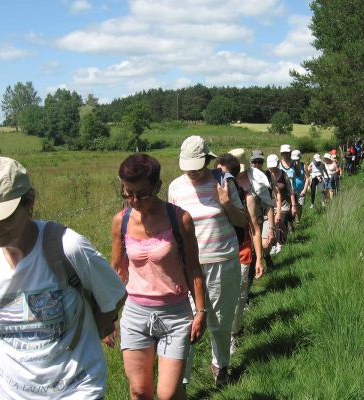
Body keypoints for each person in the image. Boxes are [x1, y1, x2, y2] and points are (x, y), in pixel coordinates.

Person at [0, 156, 127, 400]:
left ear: (29, 202)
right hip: (9, 394)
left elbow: (114, 296)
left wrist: (93, 330)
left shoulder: (68, 247)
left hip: (76, 390)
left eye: (1, 216)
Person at [109, 153, 207, 400]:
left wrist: (201, 311)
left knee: (168, 393)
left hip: (174, 314)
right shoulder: (121, 221)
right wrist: (107, 316)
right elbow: (117, 271)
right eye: (127, 193)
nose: (134, 200)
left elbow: (194, 268)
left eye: (142, 194)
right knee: (140, 391)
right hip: (135, 313)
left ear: (158, 186)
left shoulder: (180, 219)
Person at [168, 136, 246, 387]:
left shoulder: (224, 181)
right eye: (188, 166)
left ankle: (220, 366)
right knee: (186, 325)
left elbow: (241, 221)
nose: (193, 171)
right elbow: (172, 229)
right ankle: (181, 381)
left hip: (223, 262)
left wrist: (225, 203)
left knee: (220, 323)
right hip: (189, 268)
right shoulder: (175, 187)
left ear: (208, 160)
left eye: (197, 165)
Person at [218, 149, 271, 354]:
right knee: (220, 299)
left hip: (242, 253)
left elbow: (255, 230)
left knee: (239, 299)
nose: (221, 178)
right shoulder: (208, 194)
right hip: (217, 254)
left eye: (225, 174)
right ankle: (219, 337)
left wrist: (259, 259)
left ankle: (232, 334)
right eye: (218, 174)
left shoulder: (246, 197)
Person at [250, 149, 277, 270]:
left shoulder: (268, 176)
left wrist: (277, 212)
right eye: (254, 162)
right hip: (253, 216)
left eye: (259, 162)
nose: (257, 165)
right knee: (253, 247)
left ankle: (265, 255)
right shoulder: (247, 176)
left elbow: (275, 194)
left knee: (265, 243)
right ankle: (262, 261)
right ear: (251, 162)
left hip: (266, 212)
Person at [266, 153, 296, 248]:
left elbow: (290, 191)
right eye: (270, 167)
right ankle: (274, 243)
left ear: (278, 163)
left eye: (273, 166)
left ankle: (281, 244)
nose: (271, 169)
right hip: (271, 204)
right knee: (273, 224)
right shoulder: (265, 175)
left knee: (282, 221)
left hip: (284, 203)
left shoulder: (283, 174)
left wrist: (294, 206)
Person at [286, 149, 310, 224]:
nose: (295, 161)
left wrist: (304, 190)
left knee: (299, 206)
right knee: (291, 206)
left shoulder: (303, 165)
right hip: (291, 189)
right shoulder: (289, 166)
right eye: (294, 159)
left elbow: (307, 178)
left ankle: (298, 220)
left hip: (301, 190)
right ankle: (291, 223)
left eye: (297, 159)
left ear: (300, 158)